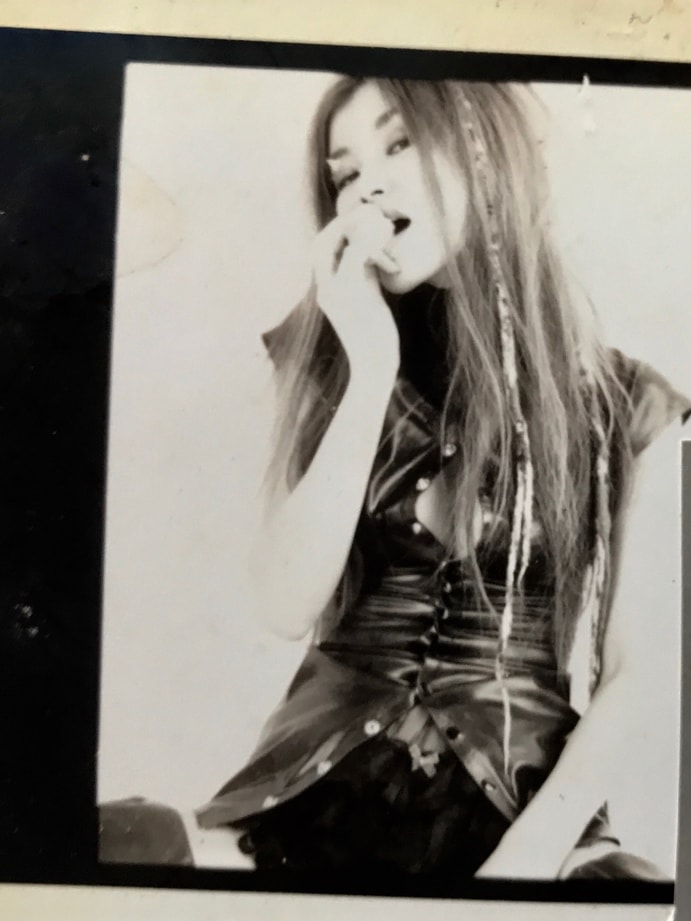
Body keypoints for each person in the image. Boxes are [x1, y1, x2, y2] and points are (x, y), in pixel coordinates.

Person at [191, 76, 690, 880]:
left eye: (398, 143)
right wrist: (368, 369)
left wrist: (522, 864)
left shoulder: (630, 404)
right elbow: (283, 605)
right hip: (312, 785)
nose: (367, 185)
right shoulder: (325, 353)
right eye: (345, 171)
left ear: (488, 153)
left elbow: (639, 674)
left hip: (521, 803)